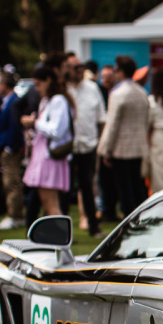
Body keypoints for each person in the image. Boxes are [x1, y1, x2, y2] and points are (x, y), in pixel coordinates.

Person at [18, 64, 74, 220]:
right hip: (44, 156)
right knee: (49, 204)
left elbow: (57, 131)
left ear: (48, 80)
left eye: (37, 84)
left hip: (50, 158)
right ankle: (56, 239)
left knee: (51, 205)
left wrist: (35, 122)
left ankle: (61, 241)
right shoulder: (47, 101)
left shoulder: (58, 101)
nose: (36, 88)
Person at [97, 55, 149, 215]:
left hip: (122, 148)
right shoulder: (142, 92)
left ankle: (129, 219)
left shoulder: (118, 94)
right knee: (138, 187)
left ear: (120, 71)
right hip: (139, 147)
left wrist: (105, 149)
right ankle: (142, 217)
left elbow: (112, 125)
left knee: (125, 189)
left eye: (115, 70)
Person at [66, 56, 105, 235]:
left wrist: (100, 145)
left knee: (88, 187)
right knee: (65, 190)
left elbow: (101, 118)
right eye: (75, 68)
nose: (79, 71)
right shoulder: (63, 90)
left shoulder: (92, 88)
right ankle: (64, 232)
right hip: (67, 148)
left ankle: (93, 226)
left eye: (81, 67)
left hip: (88, 146)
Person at [0, 71, 25, 230]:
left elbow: (14, 127)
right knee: (9, 181)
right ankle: (13, 213)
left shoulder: (13, 102)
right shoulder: (6, 101)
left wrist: (9, 147)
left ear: (4, 85)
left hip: (10, 149)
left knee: (12, 182)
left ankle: (15, 215)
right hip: (6, 147)